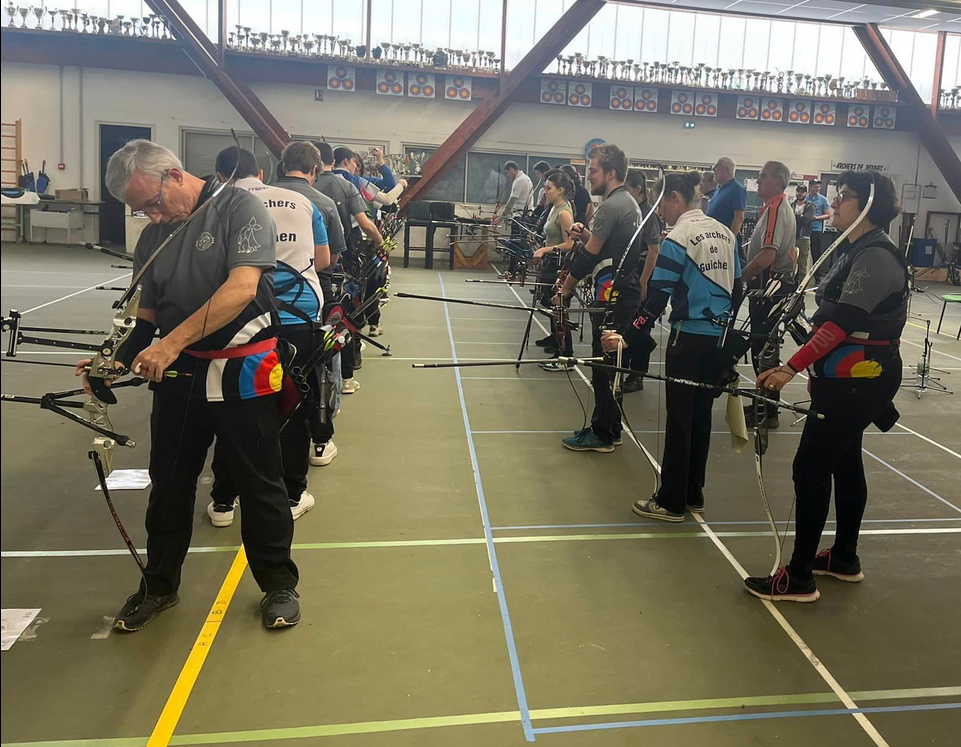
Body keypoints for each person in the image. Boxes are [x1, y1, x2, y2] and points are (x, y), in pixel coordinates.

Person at [81, 139, 300, 630]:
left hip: (242, 369)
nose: (153, 216)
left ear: (175, 175)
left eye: (154, 203)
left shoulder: (239, 208)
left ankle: (278, 584)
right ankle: (159, 585)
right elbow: (145, 318)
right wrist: (111, 360)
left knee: (259, 481)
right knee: (170, 482)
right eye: (142, 210)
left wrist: (170, 344)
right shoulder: (153, 238)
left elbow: (241, 289)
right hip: (181, 375)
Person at [744, 171, 906, 602]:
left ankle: (799, 578)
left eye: (844, 197)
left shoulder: (876, 257)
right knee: (845, 462)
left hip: (857, 382)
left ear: (868, 206)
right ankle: (844, 557)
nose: (833, 203)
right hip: (845, 379)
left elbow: (842, 323)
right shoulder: (856, 248)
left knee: (810, 468)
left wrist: (790, 368)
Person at [602, 171, 740, 522]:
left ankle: (672, 502)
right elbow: (737, 289)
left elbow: (656, 298)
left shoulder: (679, 236)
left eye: (661, 204)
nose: (660, 212)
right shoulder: (726, 233)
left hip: (687, 339)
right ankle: (694, 493)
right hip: (717, 341)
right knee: (701, 416)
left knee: (680, 419)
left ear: (675, 198)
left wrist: (627, 336)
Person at [206, 146, 330, 528]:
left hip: (243, 317)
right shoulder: (305, 203)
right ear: (260, 173)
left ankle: (224, 500)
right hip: (299, 314)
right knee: (294, 405)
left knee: (234, 404)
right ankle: (292, 495)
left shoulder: (219, 203)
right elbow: (324, 260)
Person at [556, 144, 643, 452]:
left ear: (611, 173)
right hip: (620, 293)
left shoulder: (611, 206)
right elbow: (605, 246)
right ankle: (610, 428)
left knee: (603, 366)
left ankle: (603, 433)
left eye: (593, 171)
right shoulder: (628, 202)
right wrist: (585, 236)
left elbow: (589, 258)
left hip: (612, 297)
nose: (588, 176)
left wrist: (565, 289)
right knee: (610, 365)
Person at [276, 141, 345, 468]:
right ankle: (320, 441)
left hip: (255, 306)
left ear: (282, 166)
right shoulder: (322, 204)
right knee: (315, 374)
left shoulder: (252, 199)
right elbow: (328, 259)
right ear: (315, 169)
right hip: (306, 304)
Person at [317, 143, 384, 395]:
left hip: (302, 268)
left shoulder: (300, 188)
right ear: (335, 161)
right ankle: (346, 376)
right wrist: (379, 244)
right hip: (338, 262)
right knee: (344, 314)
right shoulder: (346, 185)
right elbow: (365, 224)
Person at [739, 161, 797, 428]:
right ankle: (765, 405)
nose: (758, 180)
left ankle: (767, 411)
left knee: (763, 351)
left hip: (770, 290)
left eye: (763, 176)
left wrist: (740, 278)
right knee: (764, 349)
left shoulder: (775, 208)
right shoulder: (774, 207)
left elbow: (767, 255)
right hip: (771, 289)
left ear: (778, 182)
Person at [621, 168, 663, 393]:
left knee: (640, 326)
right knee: (627, 324)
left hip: (643, 275)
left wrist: (644, 280)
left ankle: (637, 375)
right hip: (629, 274)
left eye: (627, 188)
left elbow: (654, 250)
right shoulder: (632, 211)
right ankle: (623, 370)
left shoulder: (649, 214)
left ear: (638, 189)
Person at [530, 170, 575, 371]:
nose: (545, 191)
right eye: (545, 188)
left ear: (560, 190)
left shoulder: (564, 212)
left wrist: (545, 250)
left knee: (559, 309)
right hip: (550, 263)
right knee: (550, 305)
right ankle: (556, 344)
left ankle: (566, 355)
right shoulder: (553, 208)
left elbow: (570, 244)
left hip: (559, 266)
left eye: (549, 188)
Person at [707, 156, 746, 261]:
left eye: (717, 167)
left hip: (724, 242)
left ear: (727, 170)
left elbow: (739, 217)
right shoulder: (719, 189)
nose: (713, 169)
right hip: (714, 240)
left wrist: (729, 241)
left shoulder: (737, 189)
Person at [492, 161, 532, 229]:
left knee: (515, 235)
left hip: (519, 217)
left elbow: (512, 201)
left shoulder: (519, 181)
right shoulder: (526, 178)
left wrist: (501, 217)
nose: (507, 176)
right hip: (526, 215)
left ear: (511, 170)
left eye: (507, 173)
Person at [807, 179, 832, 279]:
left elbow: (828, 215)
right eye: (815, 187)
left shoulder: (823, 199)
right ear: (810, 186)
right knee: (802, 252)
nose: (817, 189)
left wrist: (816, 218)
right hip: (804, 230)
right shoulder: (805, 198)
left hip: (816, 229)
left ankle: (817, 277)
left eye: (819, 187)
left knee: (816, 253)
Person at [792, 183, 815, 279]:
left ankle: (801, 286)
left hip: (804, 239)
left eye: (802, 192)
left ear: (806, 193)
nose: (800, 193)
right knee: (790, 264)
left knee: (802, 266)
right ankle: (789, 285)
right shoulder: (791, 205)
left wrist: (795, 217)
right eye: (798, 191)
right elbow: (787, 220)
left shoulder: (810, 207)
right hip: (791, 238)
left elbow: (805, 220)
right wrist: (800, 216)